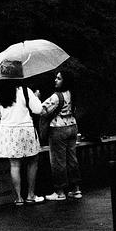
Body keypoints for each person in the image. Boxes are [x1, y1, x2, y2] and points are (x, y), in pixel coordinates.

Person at [0, 80, 42, 206]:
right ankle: (31, 195)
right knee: (32, 162)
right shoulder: (25, 91)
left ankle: (18, 198)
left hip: (9, 133)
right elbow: (38, 109)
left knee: (14, 165)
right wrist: (36, 97)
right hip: (26, 130)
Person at [39, 68, 81, 201]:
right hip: (72, 126)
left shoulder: (56, 96)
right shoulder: (73, 93)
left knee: (58, 161)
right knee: (72, 159)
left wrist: (37, 99)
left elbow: (42, 110)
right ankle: (76, 189)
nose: (55, 80)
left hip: (58, 128)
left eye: (59, 78)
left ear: (65, 81)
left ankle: (60, 192)